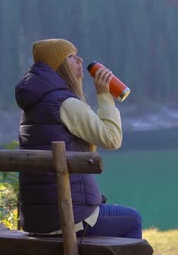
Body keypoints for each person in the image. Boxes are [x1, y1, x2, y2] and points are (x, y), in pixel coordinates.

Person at [15, 38, 142, 239]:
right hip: (68, 218)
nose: (80, 60)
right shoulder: (64, 103)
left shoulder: (34, 104)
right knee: (132, 219)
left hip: (36, 219)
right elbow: (112, 139)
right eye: (72, 57)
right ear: (60, 65)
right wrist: (104, 95)